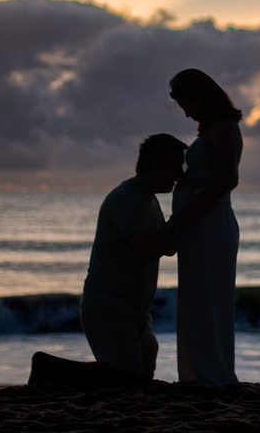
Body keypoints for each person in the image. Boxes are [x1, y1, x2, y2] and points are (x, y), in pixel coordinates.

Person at [80, 133, 186, 380]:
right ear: (155, 166)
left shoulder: (149, 201)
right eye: (175, 166)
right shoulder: (125, 199)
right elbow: (149, 248)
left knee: (139, 373)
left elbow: (167, 247)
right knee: (127, 380)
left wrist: (183, 219)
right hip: (109, 308)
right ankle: (52, 371)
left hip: (135, 312)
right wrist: (183, 220)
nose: (180, 174)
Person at [163, 68, 242, 386]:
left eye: (186, 104)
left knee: (209, 300)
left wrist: (188, 213)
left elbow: (227, 179)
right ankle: (199, 373)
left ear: (201, 97)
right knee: (197, 299)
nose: (185, 113)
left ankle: (212, 375)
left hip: (208, 224)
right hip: (199, 224)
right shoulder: (212, 129)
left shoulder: (223, 129)